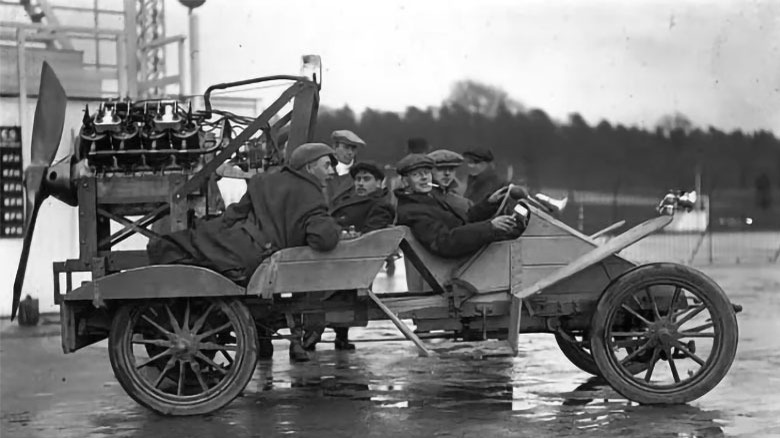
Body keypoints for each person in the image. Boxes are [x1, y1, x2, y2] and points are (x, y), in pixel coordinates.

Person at [147, 142, 342, 362]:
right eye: (327, 166)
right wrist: (336, 228)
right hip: (252, 259)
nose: (332, 172)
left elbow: (233, 216)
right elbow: (323, 239)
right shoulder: (311, 195)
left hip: (238, 243)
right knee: (192, 248)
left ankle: (159, 288)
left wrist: (210, 232)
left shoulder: (264, 180)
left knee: (179, 244)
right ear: (308, 167)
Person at [304, 161, 396, 351]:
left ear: (379, 183)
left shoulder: (380, 205)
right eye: (358, 179)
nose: (360, 184)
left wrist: (344, 234)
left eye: (367, 179)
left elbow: (371, 236)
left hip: (354, 260)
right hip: (340, 256)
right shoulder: (347, 198)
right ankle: (338, 336)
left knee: (322, 287)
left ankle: (314, 331)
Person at [394, 154, 527, 258]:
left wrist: (490, 203)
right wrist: (490, 227)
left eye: (427, 173)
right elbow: (444, 243)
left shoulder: (426, 200)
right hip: (458, 266)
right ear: (405, 181)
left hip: (463, 259)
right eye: (416, 174)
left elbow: (462, 221)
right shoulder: (413, 211)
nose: (424, 178)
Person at [428, 149, 472, 216]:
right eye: (441, 169)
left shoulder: (464, 203)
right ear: (430, 171)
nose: (447, 173)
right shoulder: (422, 199)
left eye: (451, 169)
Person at [328, 129, 366, 201]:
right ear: (335, 147)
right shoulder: (322, 171)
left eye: (353, 148)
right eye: (346, 147)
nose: (350, 152)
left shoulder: (360, 176)